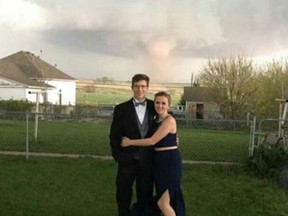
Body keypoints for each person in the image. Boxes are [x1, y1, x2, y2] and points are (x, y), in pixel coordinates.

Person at [121, 91, 186, 216]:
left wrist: (129, 142)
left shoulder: (169, 120)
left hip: (170, 164)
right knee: (164, 201)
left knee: (163, 203)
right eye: (157, 103)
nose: (160, 106)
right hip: (159, 165)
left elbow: (152, 141)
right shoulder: (155, 121)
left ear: (169, 105)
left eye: (163, 103)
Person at [109, 74, 157, 216]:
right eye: (136, 86)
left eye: (143, 86)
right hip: (127, 161)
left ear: (147, 88)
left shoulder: (155, 107)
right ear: (132, 87)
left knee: (145, 195)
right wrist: (119, 157)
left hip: (147, 161)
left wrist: (174, 138)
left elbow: (165, 124)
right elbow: (114, 136)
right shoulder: (121, 109)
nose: (139, 89)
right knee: (123, 195)